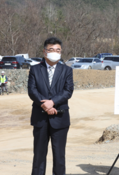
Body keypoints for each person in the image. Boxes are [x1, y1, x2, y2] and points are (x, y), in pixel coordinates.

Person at [28, 37, 74, 175]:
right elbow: (32, 90)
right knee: (39, 157)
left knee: (59, 157)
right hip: (40, 118)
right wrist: (45, 105)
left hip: (60, 118)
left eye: (58, 50)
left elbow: (68, 91)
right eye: (52, 50)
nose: (55, 52)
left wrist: (52, 102)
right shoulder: (35, 69)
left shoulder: (67, 70)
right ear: (45, 52)